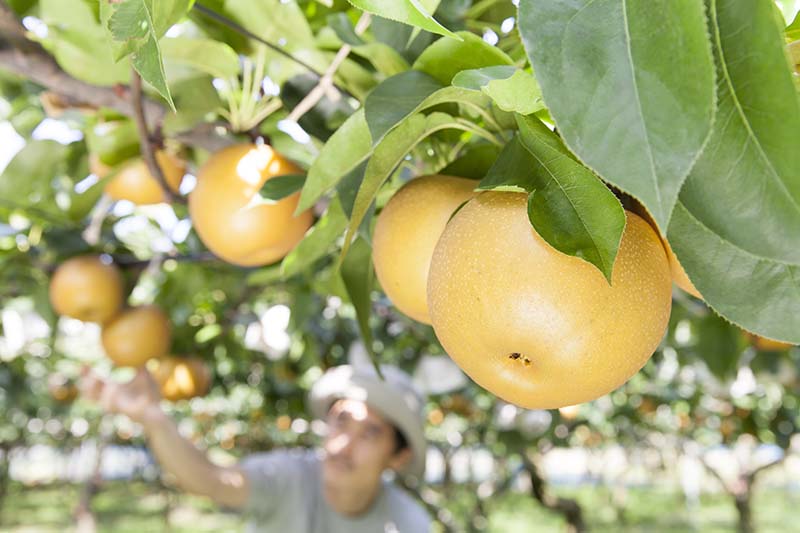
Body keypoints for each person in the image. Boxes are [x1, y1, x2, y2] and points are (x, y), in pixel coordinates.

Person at [80, 363, 431, 532]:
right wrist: (154, 419)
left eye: (370, 433)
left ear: (398, 457)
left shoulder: (408, 524)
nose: (344, 443)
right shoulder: (290, 477)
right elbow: (213, 481)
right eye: (340, 420)